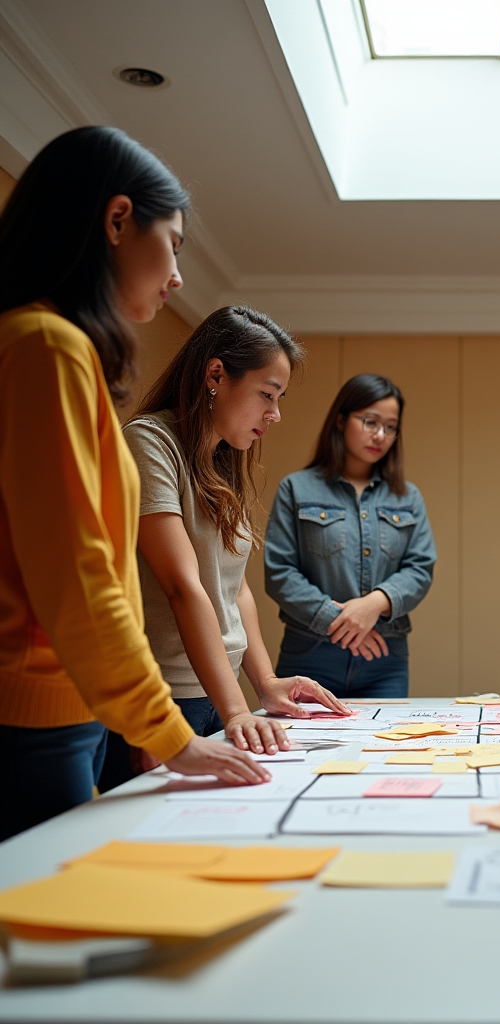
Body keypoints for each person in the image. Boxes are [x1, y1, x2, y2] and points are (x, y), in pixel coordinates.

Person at [0, 127, 266, 840]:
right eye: (174, 243)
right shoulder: (46, 346)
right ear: (118, 221)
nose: (178, 273)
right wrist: (170, 731)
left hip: (66, 706)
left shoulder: (48, 346)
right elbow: (82, 576)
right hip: (36, 714)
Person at [100, 306, 350, 787]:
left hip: (217, 695)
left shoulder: (223, 462)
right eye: (267, 395)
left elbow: (234, 591)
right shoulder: (149, 441)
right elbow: (182, 585)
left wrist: (264, 685)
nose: (274, 414)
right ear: (216, 374)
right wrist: (237, 708)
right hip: (165, 697)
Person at [264, 374, 436, 699]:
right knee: (300, 747)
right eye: (370, 422)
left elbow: (420, 568)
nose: (381, 435)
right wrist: (341, 621)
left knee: (383, 748)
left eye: (391, 427)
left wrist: (374, 604)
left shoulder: (407, 497)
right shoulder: (296, 488)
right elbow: (280, 573)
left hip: (384, 660)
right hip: (310, 657)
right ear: (341, 420)